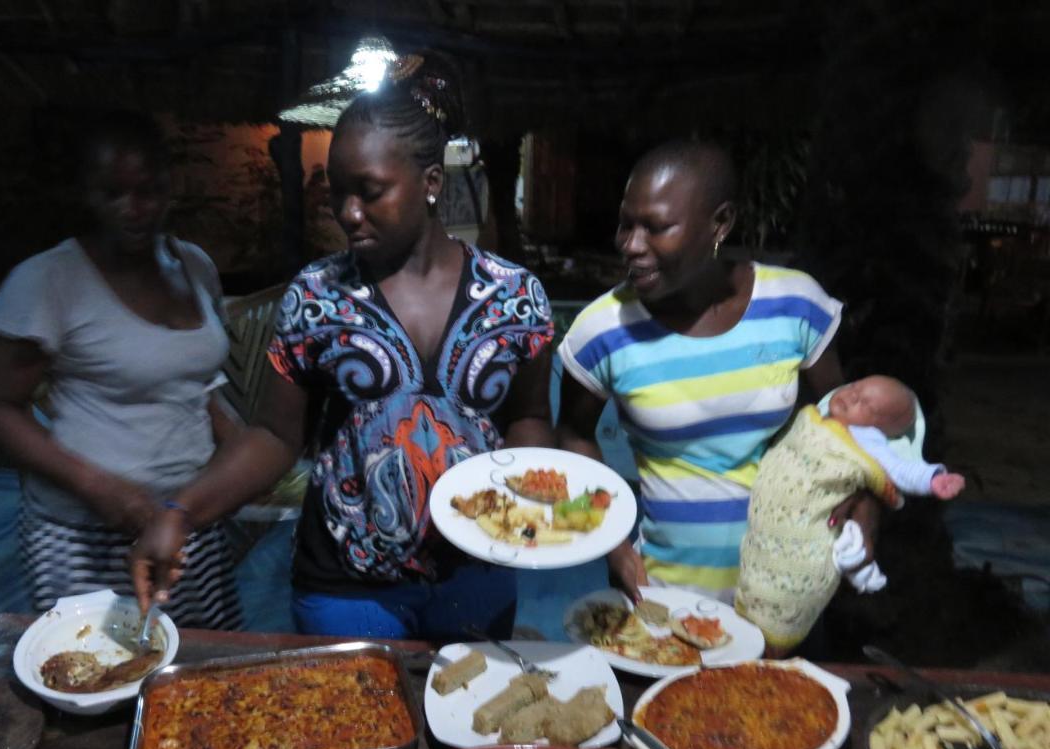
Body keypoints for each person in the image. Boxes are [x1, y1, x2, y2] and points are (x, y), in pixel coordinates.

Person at [129, 54, 554, 640]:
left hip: (478, 573)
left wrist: (527, 490)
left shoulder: (516, 298)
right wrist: (181, 511)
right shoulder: (317, 296)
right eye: (339, 194)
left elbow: (529, 417)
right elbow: (275, 437)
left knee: (469, 727)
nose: (349, 214)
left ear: (431, 183)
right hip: (345, 583)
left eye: (371, 192)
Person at [557, 139, 877, 606]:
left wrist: (864, 509)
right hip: (663, 594)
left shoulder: (793, 306)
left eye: (656, 227)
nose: (631, 245)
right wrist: (615, 547)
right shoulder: (603, 330)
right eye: (626, 224)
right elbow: (573, 435)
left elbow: (847, 426)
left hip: (787, 591)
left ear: (720, 223)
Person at [0, 112, 243, 629]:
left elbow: (192, 383)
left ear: (170, 185)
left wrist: (239, 452)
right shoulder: (48, 281)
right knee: (98, 674)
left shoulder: (195, 266)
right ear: (85, 193)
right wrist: (100, 488)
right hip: (84, 535)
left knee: (195, 670)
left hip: (188, 521)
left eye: (148, 190)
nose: (133, 208)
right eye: (112, 192)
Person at [738, 375, 965, 654]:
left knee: (783, 587)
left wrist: (933, 479)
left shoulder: (865, 440)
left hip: (803, 535)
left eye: (867, 406)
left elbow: (899, 469)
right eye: (855, 388)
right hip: (767, 517)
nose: (852, 396)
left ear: (879, 430)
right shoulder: (813, 420)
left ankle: (773, 637)